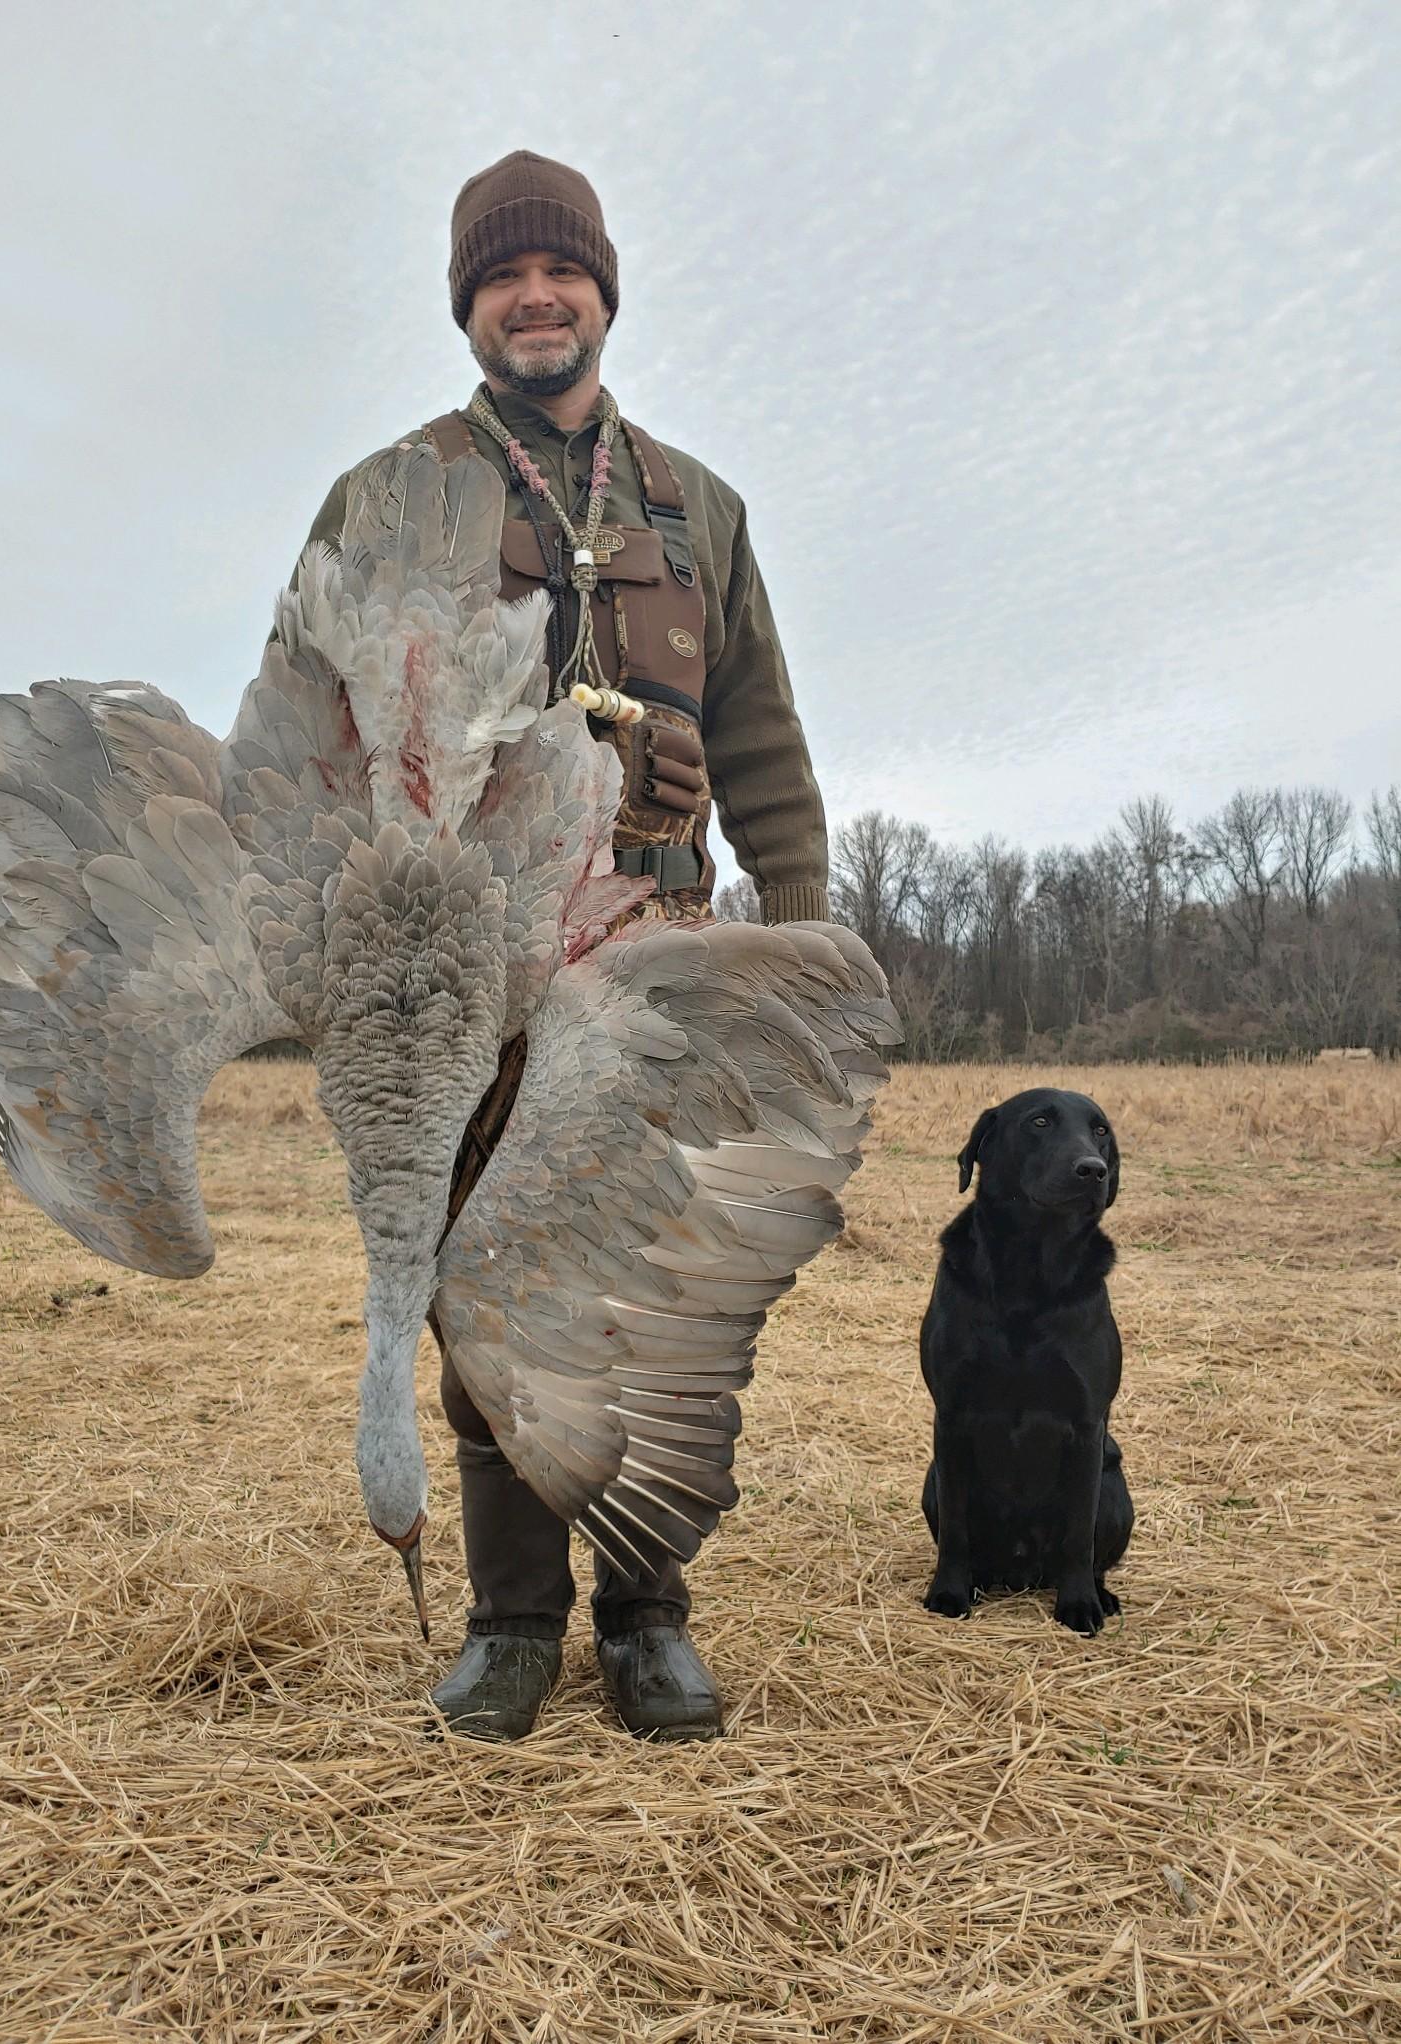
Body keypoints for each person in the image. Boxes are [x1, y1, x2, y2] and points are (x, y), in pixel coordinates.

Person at [292, 151, 830, 1742]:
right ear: (468, 307)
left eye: (560, 274)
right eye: (501, 278)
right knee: (483, 1294)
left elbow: (768, 752)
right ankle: (516, 1622)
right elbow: (310, 734)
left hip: (661, 971)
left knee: (653, 1298)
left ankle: (649, 1619)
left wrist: (792, 958)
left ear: (602, 292)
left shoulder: (696, 507)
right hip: (472, 987)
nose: (536, 299)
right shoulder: (384, 497)